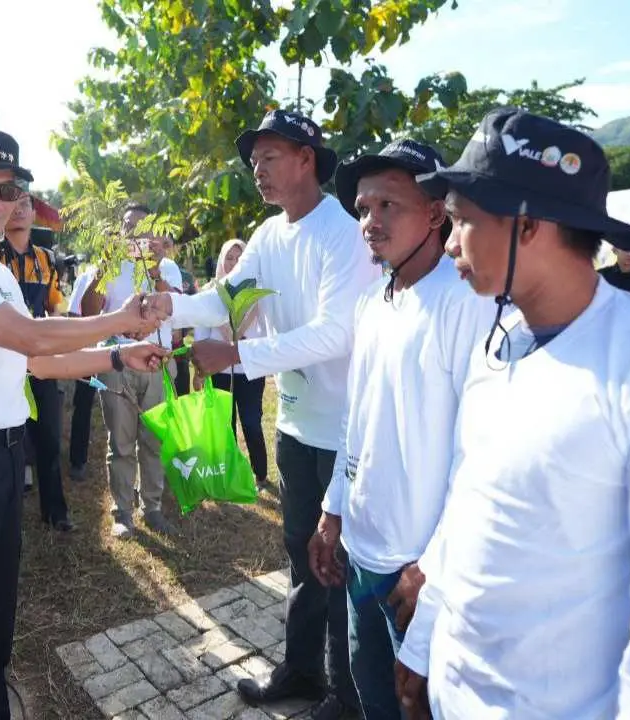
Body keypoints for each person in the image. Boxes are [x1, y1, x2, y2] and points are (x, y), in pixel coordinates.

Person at [394, 108, 630, 720]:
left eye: (462, 220)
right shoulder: (500, 343)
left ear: (528, 225)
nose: (450, 242)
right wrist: (425, 640)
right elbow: (472, 502)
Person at [0, 129, 168, 720]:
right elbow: (33, 337)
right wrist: (118, 320)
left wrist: (119, 355)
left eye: (9, 190)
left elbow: (35, 362)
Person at [149, 108, 378, 719]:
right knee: (301, 553)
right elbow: (225, 298)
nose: (258, 170)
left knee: (339, 563)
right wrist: (168, 307)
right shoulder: (269, 233)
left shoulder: (342, 233)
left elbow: (335, 333)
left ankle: (347, 695)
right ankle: (301, 671)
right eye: (254, 161)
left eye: (269, 158)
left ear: (306, 158)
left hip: (345, 431)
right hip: (297, 426)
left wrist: (238, 355)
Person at [306, 139, 493, 720]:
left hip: (416, 566)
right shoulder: (372, 302)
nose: (370, 222)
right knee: (374, 696)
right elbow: (355, 418)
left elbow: (479, 453)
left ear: (436, 213)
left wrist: (434, 565)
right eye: (364, 208)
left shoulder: (465, 304)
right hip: (364, 549)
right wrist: (333, 509)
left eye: (389, 205)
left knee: (423, 704)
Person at [80, 203, 184, 538]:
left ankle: (151, 507)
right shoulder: (108, 266)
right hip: (118, 362)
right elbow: (88, 312)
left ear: (155, 230)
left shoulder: (168, 267)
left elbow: (179, 313)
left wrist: (155, 272)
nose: (134, 233)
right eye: (128, 227)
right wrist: (104, 268)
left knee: (154, 440)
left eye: (142, 227)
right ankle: (122, 512)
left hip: (158, 363)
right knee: (121, 441)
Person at [0, 192, 74, 531]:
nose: (17, 211)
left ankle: (55, 512)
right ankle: (5, 513)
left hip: (41, 357)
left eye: (24, 205)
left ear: (33, 213)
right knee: (7, 438)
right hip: (2, 358)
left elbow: (56, 306)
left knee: (49, 437)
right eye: (11, 205)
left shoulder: (46, 259)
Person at [192, 239, 269, 490]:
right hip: (219, 371)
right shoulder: (210, 293)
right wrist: (200, 371)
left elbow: (266, 332)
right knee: (226, 424)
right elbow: (201, 335)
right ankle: (231, 472)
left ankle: (260, 474)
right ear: (221, 260)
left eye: (239, 258)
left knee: (251, 423)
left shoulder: (257, 295)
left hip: (250, 370)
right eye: (229, 257)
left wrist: (241, 335)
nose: (234, 263)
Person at [66, 264, 99, 482]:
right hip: (91, 353)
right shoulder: (88, 276)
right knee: (84, 405)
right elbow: (73, 314)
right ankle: (78, 460)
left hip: (122, 353)